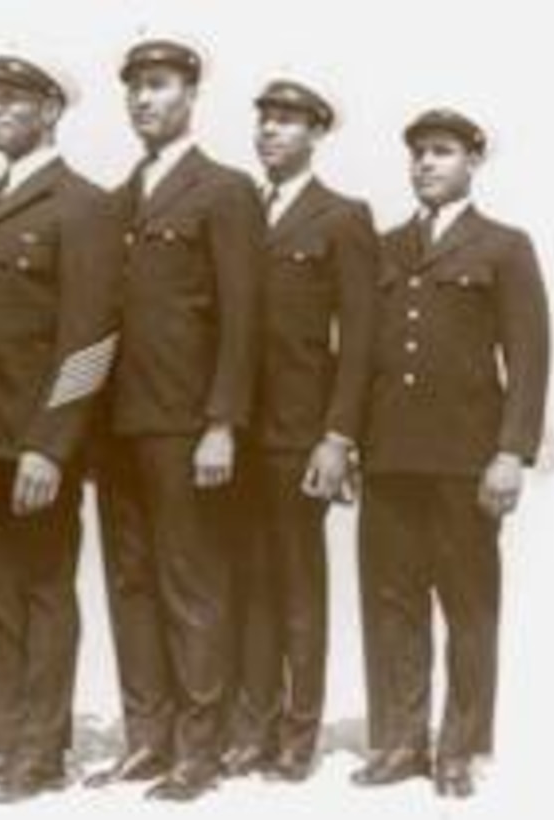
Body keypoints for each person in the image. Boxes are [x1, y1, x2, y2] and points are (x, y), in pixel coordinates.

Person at [0, 54, 122, 803]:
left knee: (42, 589)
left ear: (51, 111)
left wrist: (51, 443)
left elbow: (91, 335)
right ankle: (4, 735)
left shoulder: (83, 205)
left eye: (12, 100)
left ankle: (40, 752)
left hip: (38, 442)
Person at [352, 108, 550, 798]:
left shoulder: (503, 246)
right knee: (392, 601)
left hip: (465, 458)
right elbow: (361, 355)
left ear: (473, 161)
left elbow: (528, 357)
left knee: (468, 604)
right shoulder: (384, 246)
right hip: (388, 456)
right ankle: (401, 741)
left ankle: (462, 747)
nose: (426, 165)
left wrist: (512, 452)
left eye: (441, 152)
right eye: (418, 154)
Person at [87, 39, 265, 802]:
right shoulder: (117, 198)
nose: (143, 101)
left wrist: (223, 420)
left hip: (184, 423)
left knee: (192, 580)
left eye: (158, 86)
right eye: (134, 89)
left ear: (192, 94)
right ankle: (149, 736)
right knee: (130, 579)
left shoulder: (223, 190)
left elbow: (242, 316)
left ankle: (200, 745)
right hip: (116, 426)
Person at [222, 79, 378, 783]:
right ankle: (251, 726)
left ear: (317, 133)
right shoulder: (239, 210)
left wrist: (338, 437)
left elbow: (363, 337)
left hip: (299, 432)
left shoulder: (342, 217)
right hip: (236, 432)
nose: (270, 133)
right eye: (265, 121)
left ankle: (297, 732)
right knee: (245, 582)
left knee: (297, 584)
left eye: (287, 122)